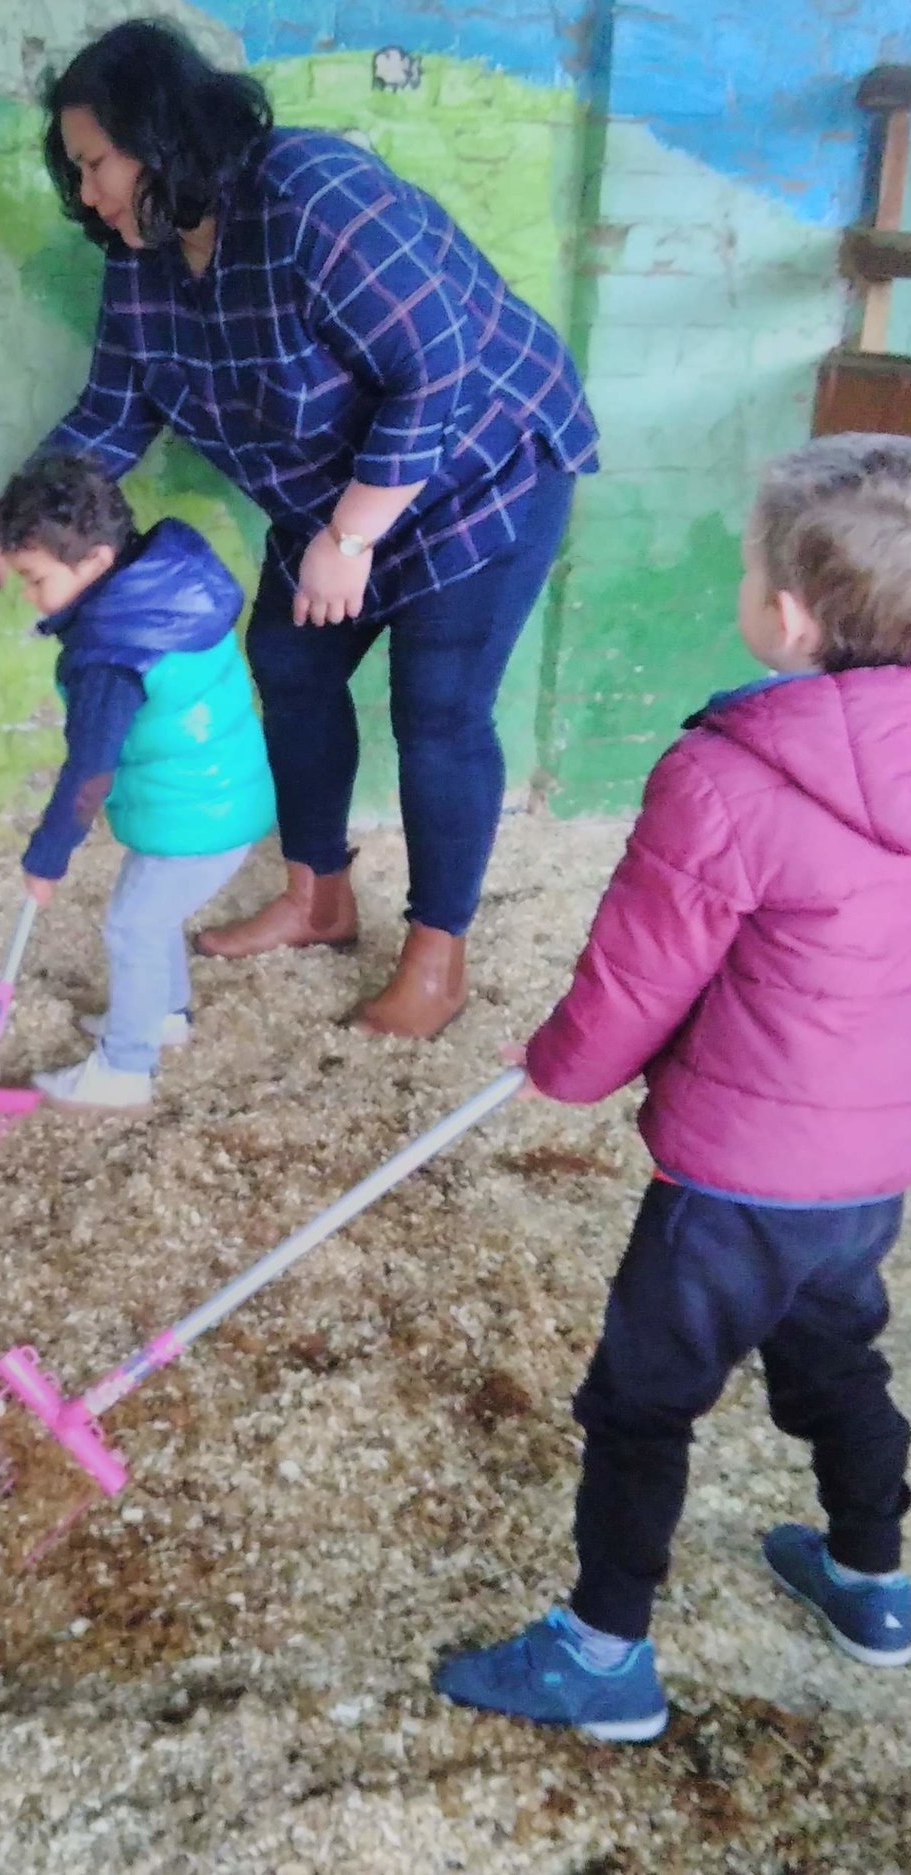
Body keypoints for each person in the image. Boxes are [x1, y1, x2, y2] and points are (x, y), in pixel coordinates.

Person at [0, 20, 599, 1039]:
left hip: (482, 468)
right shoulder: (143, 259)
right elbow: (114, 412)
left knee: (436, 712)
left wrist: (351, 536)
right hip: (330, 493)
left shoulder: (312, 194)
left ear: (161, 135)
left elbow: (437, 365)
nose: (85, 193)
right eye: (74, 170)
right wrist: (3, 525)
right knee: (289, 664)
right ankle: (319, 895)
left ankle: (437, 953)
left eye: (96, 163)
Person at [434, 435, 911, 1744]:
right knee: (834, 1354)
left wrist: (561, 1065)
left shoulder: (723, 772)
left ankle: (600, 1653)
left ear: (790, 614)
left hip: (729, 1178)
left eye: (750, 566)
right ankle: (874, 1580)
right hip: (869, 1168)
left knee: (640, 1397)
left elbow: (638, 973)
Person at [0, 454, 273, 1112]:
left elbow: (89, 769)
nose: (30, 598)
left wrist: (47, 854)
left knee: (132, 927)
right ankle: (161, 1014)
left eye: (34, 580)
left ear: (90, 563)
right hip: (220, 794)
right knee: (153, 915)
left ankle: (125, 1068)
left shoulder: (111, 655)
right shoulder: (168, 581)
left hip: (193, 817)